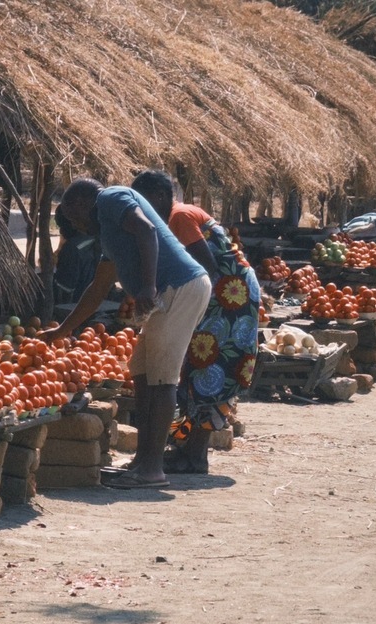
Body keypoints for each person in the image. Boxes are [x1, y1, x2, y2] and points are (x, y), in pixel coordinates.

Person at [41, 178, 210, 489]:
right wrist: (62, 331)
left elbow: (146, 230)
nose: (76, 225)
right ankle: (142, 461)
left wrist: (147, 287)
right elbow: (97, 290)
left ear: (81, 204)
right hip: (171, 293)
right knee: (143, 375)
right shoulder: (109, 233)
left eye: (73, 216)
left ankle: (152, 471)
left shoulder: (111, 198)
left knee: (162, 380)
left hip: (179, 289)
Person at [130, 169, 260, 473]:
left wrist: (189, 310)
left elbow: (206, 265)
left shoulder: (179, 215)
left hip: (228, 297)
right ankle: (190, 450)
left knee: (209, 365)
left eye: (143, 200)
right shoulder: (170, 220)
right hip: (223, 294)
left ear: (160, 197)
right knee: (200, 366)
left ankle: (196, 455)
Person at [51, 217, 99, 304]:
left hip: (75, 304)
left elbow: (64, 289)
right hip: (95, 300)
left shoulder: (72, 248)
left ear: (74, 222)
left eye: (62, 225)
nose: (61, 231)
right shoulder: (95, 239)